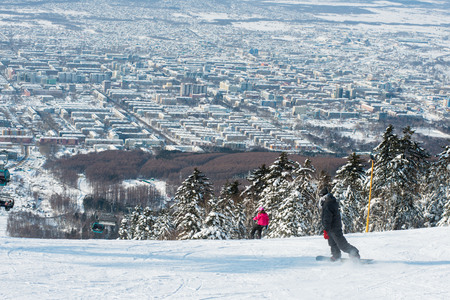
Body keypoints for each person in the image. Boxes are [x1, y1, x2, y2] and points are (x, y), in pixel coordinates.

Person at [319, 187, 360, 261]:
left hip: (334, 228)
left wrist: (325, 229)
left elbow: (327, 218)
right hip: (331, 228)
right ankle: (336, 255)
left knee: (341, 244)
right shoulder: (329, 202)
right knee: (332, 243)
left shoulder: (327, 204)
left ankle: (354, 253)